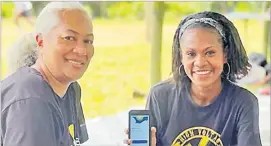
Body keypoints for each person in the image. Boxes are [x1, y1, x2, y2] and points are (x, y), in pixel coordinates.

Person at [125, 11, 262, 146]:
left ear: (224, 54)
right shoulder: (160, 96)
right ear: (181, 57)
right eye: (191, 53)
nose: (200, 62)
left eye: (209, 52)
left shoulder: (244, 102)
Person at [1, 2, 94, 146]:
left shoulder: (71, 89)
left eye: (88, 41)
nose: (82, 50)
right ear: (41, 41)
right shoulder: (31, 99)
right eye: (69, 38)